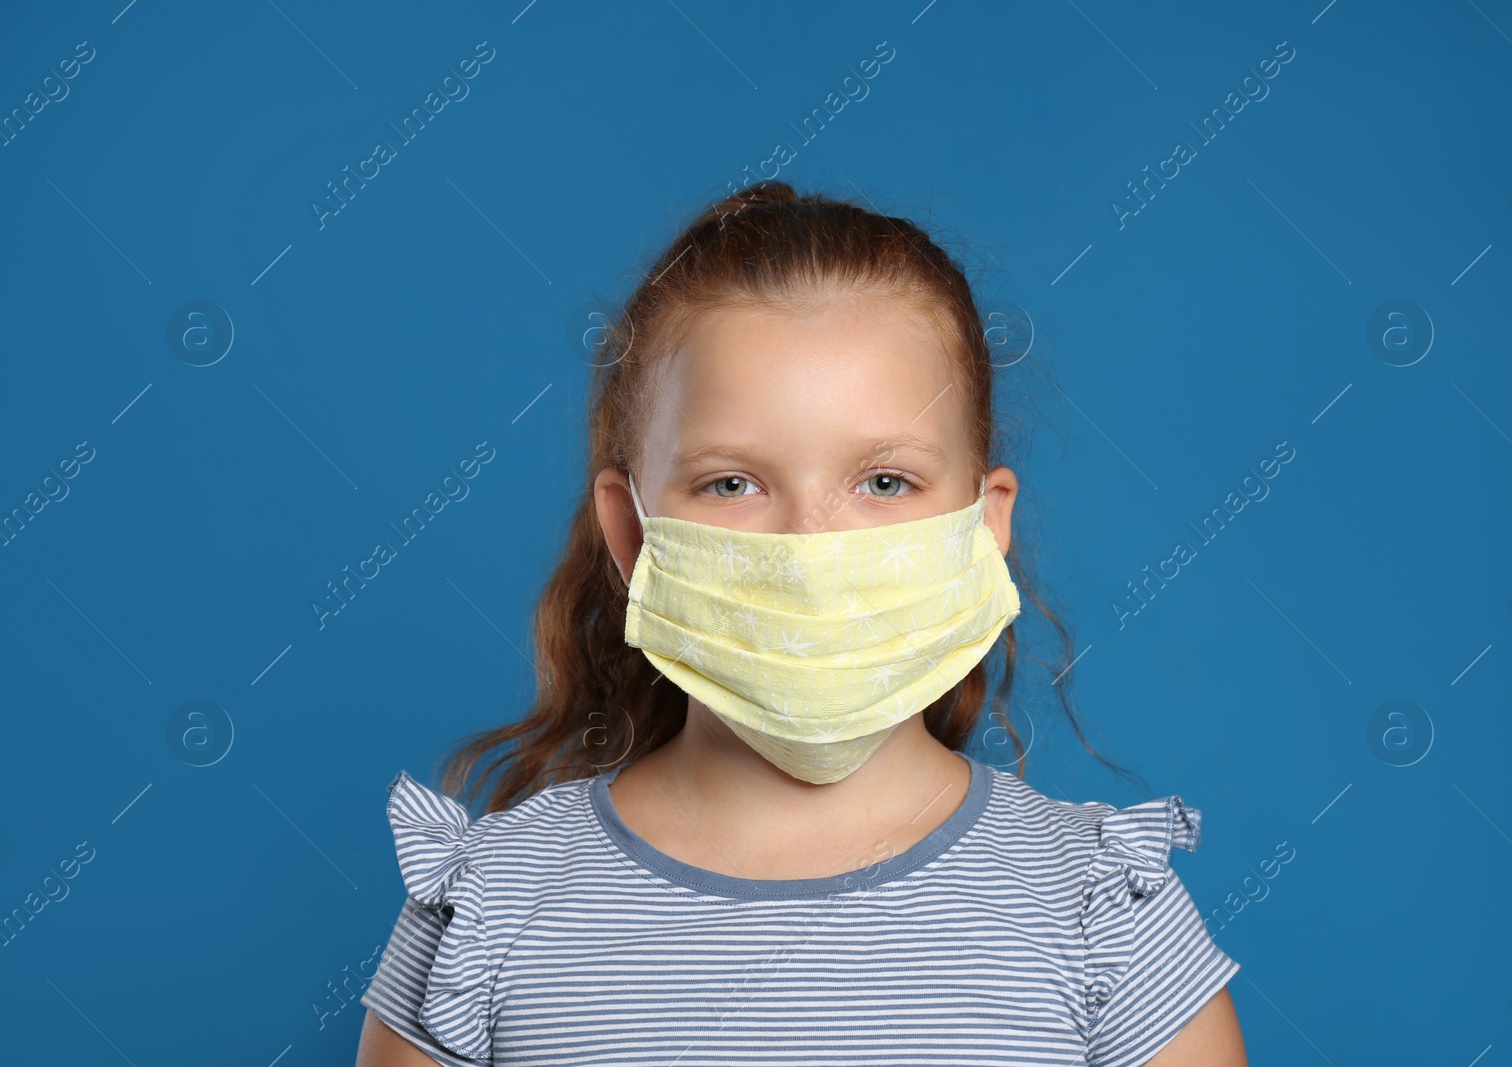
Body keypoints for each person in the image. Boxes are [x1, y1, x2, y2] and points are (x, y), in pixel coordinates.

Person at [354, 181, 1247, 1066]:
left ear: (984, 526)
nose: (809, 549)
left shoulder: (1097, 913)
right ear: (631, 533)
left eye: (884, 482)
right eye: (732, 483)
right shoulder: (489, 910)